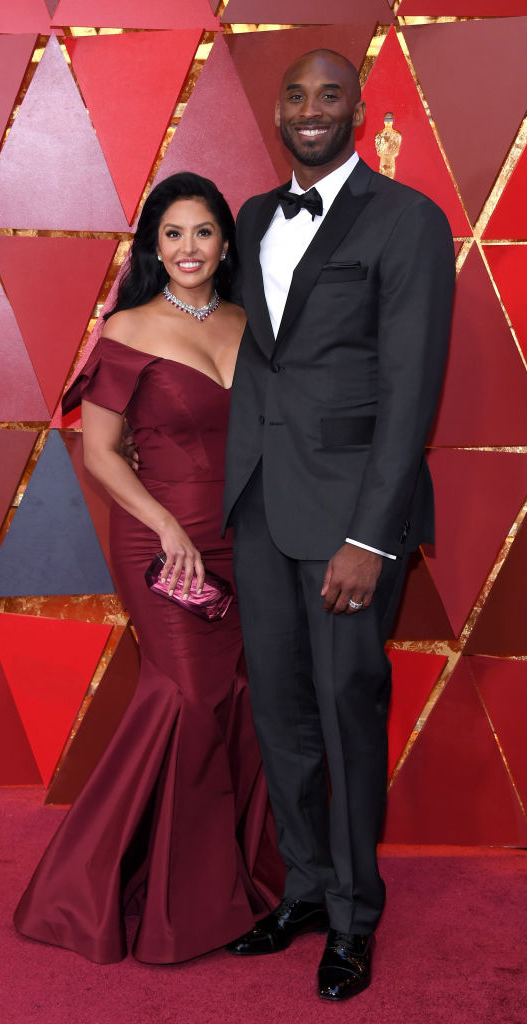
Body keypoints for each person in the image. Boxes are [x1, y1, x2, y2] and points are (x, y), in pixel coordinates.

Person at [223, 50, 455, 1001]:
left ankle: (355, 918)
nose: (310, 109)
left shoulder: (407, 219)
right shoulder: (251, 216)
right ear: (276, 110)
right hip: (259, 507)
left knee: (345, 713)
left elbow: (410, 389)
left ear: (359, 109)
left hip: (349, 521)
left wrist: (370, 536)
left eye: (329, 95)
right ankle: (307, 890)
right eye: (295, 95)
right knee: (279, 715)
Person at [14, 172, 283, 965]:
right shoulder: (127, 328)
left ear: (225, 244)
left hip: (247, 539)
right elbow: (100, 453)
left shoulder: (252, 323)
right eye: (172, 233)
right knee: (189, 695)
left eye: (202, 232)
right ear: (152, 247)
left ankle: (228, 881)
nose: (187, 248)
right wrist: (167, 527)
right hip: (160, 536)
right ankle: (114, 892)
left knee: (241, 699)